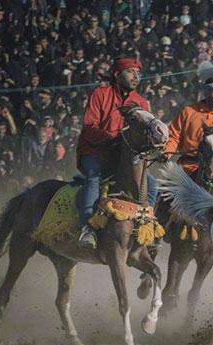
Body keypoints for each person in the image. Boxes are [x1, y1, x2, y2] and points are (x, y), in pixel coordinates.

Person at [75, 57, 161, 249]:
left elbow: (146, 132)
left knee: (152, 185)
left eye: (138, 73)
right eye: (131, 72)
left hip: (123, 157)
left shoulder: (140, 102)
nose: (136, 76)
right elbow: (90, 126)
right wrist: (112, 139)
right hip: (94, 150)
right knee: (93, 178)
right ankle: (87, 228)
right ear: (117, 74)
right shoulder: (100, 94)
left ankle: (148, 225)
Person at [162, 76, 213, 196]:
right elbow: (174, 136)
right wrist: (167, 153)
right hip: (188, 165)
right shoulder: (188, 112)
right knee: (165, 194)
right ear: (207, 93)